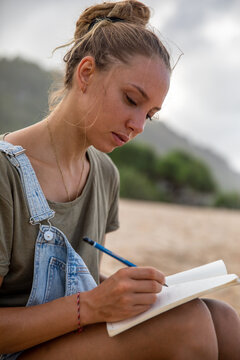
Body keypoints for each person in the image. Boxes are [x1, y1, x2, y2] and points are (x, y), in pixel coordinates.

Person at [0, 1, 239, 359]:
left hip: (65, 339)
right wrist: (93, 305)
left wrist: (122, 290)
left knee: (223, 318)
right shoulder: (5, 173)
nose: (138, 126)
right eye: (131, 100)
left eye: (150, 115)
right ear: (85, 74)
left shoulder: (105, 174)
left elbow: (80, 278)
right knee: (188, 323)